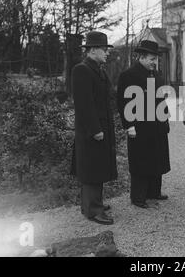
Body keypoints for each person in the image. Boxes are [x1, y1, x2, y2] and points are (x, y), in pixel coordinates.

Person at [117, 40, 171, 209]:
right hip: (139, 126)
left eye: (155, 59)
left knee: (157, 158)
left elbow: (161, 99)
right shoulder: (129, 75)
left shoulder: (157, 75)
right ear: (140, 57)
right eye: (150, 58)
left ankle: (154, 192)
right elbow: (123, 102)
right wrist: (129, 125)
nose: (154, 62)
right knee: (141, 160)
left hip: (157, 124)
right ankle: (138, 196)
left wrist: (165, 119)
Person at [71, 31, 117, 225]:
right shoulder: (81, 70)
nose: (107, 53)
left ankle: (92, 203)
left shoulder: (98, 69)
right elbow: (84, 104)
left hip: (100, 127)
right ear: (93, 50)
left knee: (97, 167)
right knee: (91, 168)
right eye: (104, 50)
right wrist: (95, 129)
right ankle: (93, 210)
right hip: (91, 131)